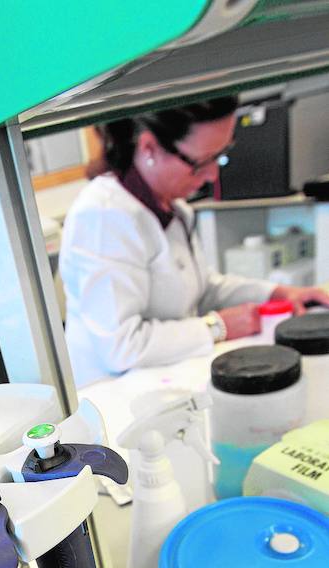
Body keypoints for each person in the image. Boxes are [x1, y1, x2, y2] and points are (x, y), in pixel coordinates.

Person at [59, 97, 329, 387]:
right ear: (149, 147)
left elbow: (202, 289)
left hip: (164, 384)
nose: (213, 174)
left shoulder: (174, 209)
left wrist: (277, 293)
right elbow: (122, 346)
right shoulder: (103, 217)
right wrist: (218, 326)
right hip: (111, 398)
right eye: (201, 162)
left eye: (221, 155)